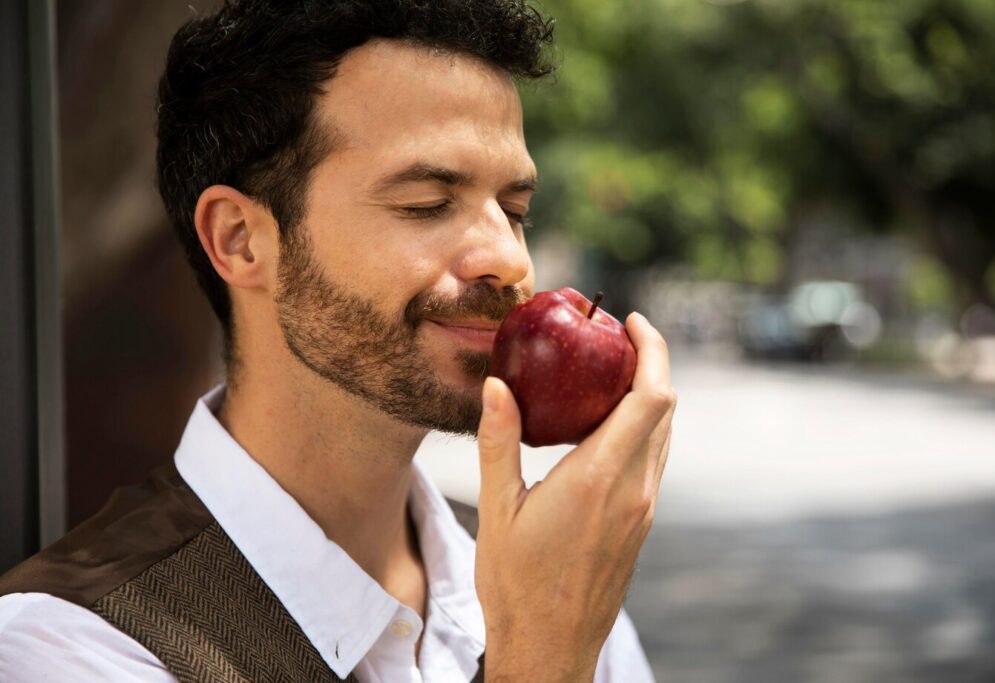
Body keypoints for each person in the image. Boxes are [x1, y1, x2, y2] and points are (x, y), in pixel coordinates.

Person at [0, 1, 676, 680]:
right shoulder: (63, 643)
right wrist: (542, 658)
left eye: (515, 210)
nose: (508, 256)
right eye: (426, 204)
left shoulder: (545, 575)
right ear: (240, 240)